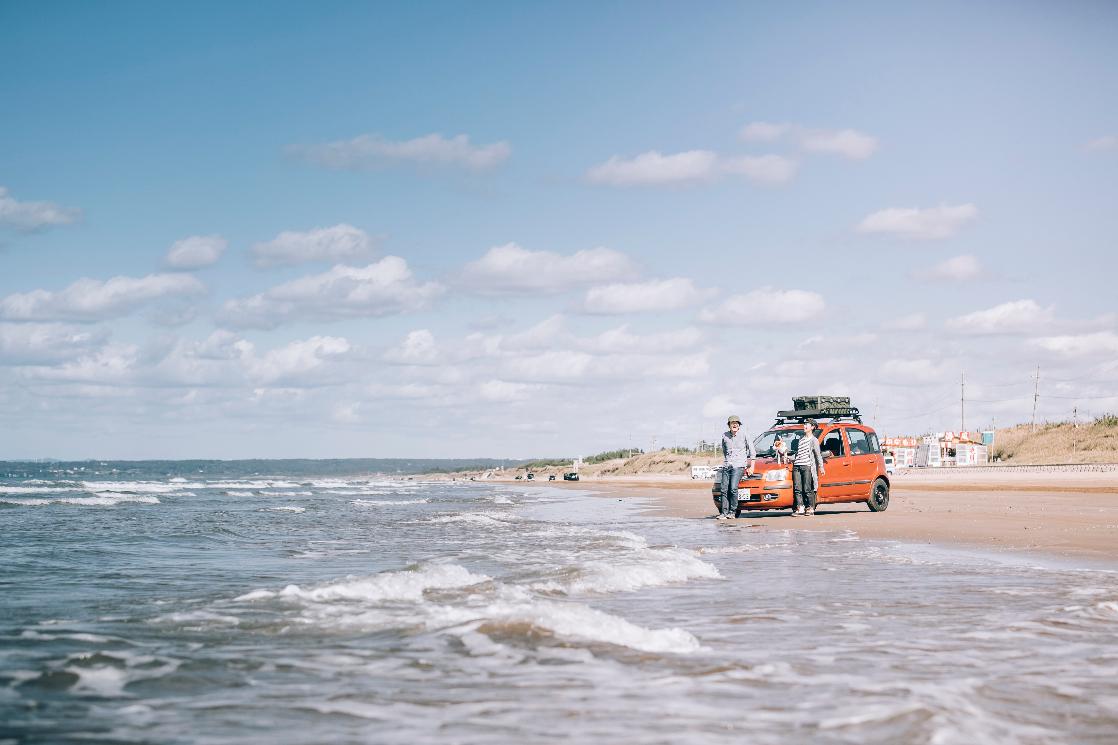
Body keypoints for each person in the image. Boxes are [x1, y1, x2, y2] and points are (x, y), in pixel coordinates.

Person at [718, 414, 755, 519]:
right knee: (724, 489)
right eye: (732, 423)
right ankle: (723, 513)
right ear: (729, 425)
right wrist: (727, 461)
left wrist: (751, 467)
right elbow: (725, 451)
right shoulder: (724, 435)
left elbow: (752, 451)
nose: (734, 425)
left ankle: (732, 512)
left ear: (739, 425)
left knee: (733, 489)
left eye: (736, 423)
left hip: (739, 466)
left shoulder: (744, 435)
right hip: (727, 465)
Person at [791, 419, 825, 516]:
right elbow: (798, 454)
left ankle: (810, 508)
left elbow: (818, 455)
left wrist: (821, 467)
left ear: (812, 427)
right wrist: (786, 456)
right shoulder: (801, 439)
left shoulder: (814, 440)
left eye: (807, 425)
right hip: (797, 466)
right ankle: (800, 507)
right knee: (797, 489)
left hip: (807, 466)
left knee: (807, 488)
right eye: (804, 424)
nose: (804, 426)